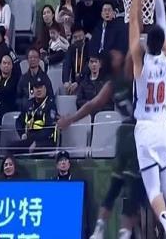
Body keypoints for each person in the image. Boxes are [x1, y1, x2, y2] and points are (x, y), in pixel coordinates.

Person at [58, 50, 145, 239]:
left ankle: (99, 228)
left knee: (115, 185)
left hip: (123, 133)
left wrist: (70, 119)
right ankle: (125, 232)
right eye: (115, 54)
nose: (118, 52)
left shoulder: (111, 84)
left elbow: (91, 105)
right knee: (133, 189)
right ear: (113, 63)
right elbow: (134, 50)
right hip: (136, 133)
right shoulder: (128, 75)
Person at [129, 0, 166, 239]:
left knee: (153, 190)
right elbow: (161, 20)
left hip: (147, 128)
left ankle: (164, 220)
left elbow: (133, 25)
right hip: (165, 127)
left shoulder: (141, 63)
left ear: (146, 43)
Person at [13, 78, 57, 154]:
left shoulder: (50, 105)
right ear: (33, 90)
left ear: (45, 89)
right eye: (36, 88)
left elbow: (49, 129)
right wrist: (22, 133)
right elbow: (19, 121)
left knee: (35, 148)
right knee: (10, 147)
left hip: (46, 141)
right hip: (29, 139)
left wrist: (36, 142)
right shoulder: (29, 104)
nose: (39, 90)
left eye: (41, 87)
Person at [62, 25, 90, 94]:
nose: (78, 39)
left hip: (88, 81)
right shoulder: (71, 49)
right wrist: (66, 81)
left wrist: (78, 81)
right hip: (74, 82)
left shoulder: (90, 47)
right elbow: (66, 64)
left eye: (80, 36)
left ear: (84, 35)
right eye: (75, 37)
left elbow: (88, 67)